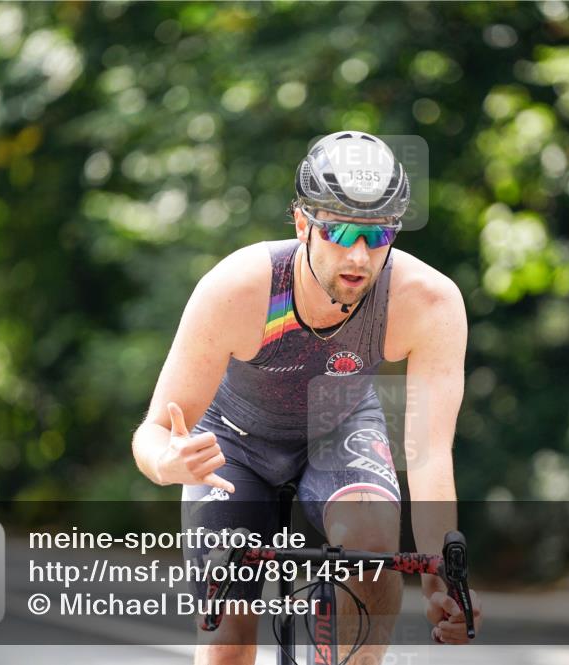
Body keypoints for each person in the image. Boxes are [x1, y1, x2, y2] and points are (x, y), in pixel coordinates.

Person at [132, 131, 481, 664]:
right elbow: (153, 432)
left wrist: (441, 582)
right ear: (302, 224)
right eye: (339, 229)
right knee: (226, 641)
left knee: (370, 547)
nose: (360, 256)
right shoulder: (239, 287)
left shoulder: (428, 301)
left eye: (379, 233)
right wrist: (167, 461)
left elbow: (430, 455)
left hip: (339, 430)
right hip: (233, 446)